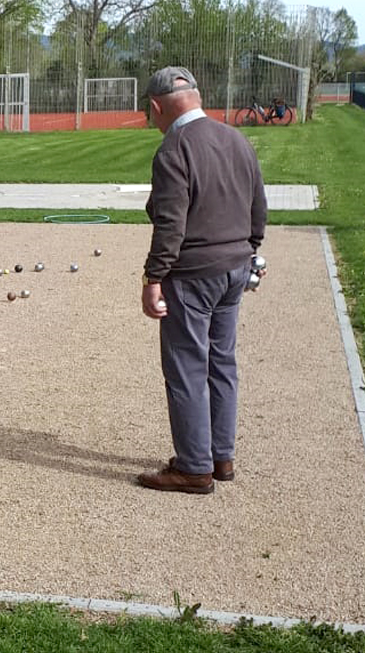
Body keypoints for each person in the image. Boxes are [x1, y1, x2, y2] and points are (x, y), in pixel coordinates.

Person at [137, 66, 267, 494]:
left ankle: (194, 468)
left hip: (192, 273)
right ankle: (220, 456)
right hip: (234, 266)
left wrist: (153, 277)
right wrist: (248, 250)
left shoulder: (174, 148)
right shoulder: (236, 138)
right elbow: (258, 207)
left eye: (149, 113)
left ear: (157, 107)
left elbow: (170, 224)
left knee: (187, 368)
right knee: (222, 363)